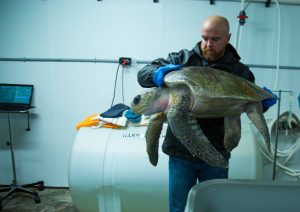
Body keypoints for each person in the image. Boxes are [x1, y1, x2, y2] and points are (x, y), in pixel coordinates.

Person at [137, 15, 277, 212]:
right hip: (180, 153)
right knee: (179, 208)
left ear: (228, 38)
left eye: (215, 39)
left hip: (218, 149)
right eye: (204, 38)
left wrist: (263, 104)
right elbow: (143, 74)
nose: (208, 44)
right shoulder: (181, 60)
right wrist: (155, 74)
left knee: (214, 207)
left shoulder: (240, 71)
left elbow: (247, 105)